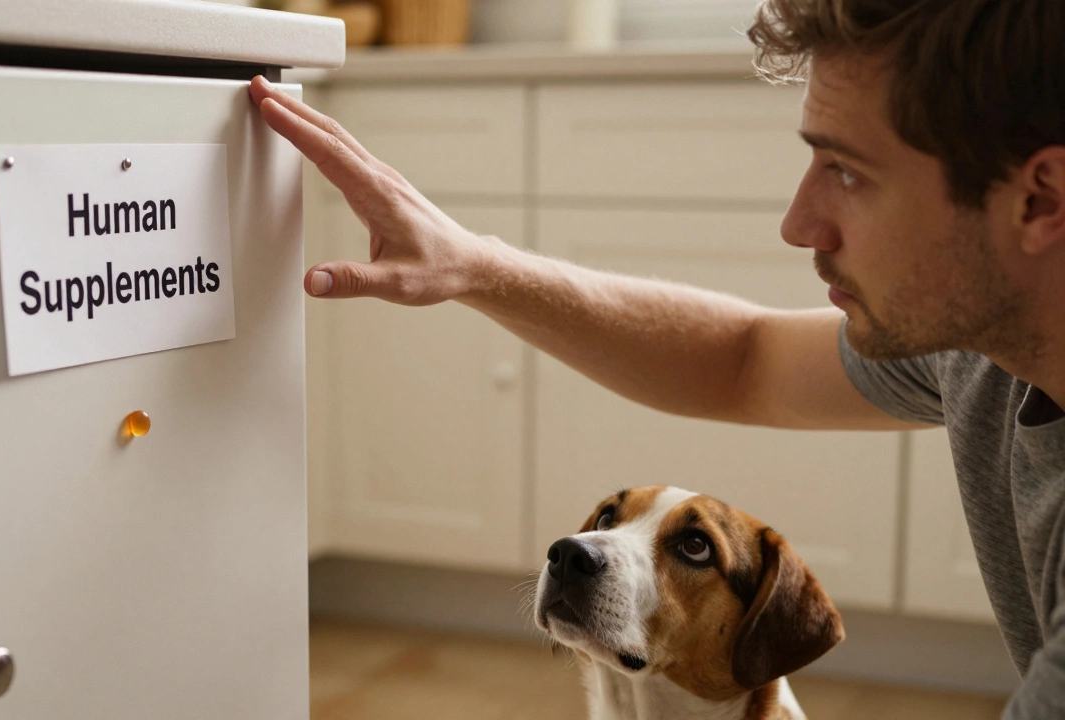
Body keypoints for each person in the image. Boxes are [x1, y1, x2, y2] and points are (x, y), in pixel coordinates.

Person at [248, 0, 1065, 714]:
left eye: (848, 172)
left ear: (1039, 199)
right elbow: (744, 358)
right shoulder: (982, 352)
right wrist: (475, 264)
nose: (798, 221)